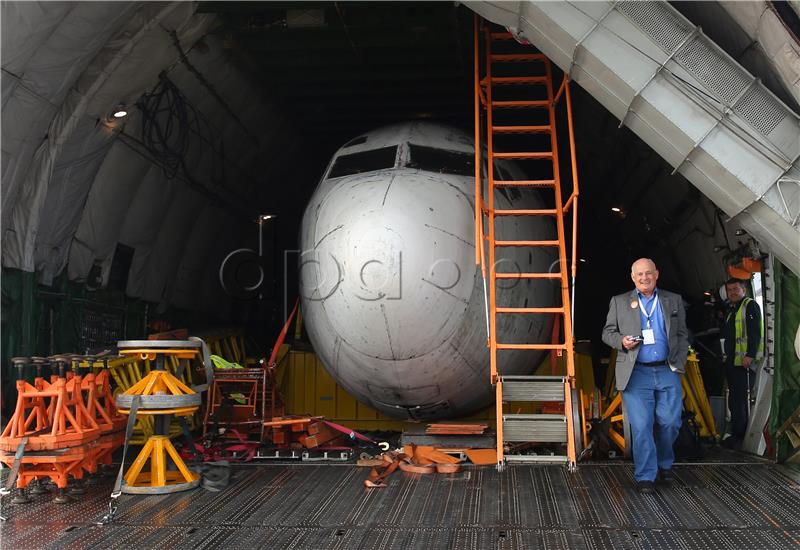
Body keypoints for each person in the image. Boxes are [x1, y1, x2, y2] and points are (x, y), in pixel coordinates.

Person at [602, 258, 689, 494]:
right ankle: (646, 476)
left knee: (670, 422)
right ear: (632, 277)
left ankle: (663, 463)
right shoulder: (619, 302)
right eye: (639, 274)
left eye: (648, 273)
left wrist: (678, 363)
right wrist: (621, 341)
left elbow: (682, 334)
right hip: (636, 372)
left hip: (666, 370)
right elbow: (607, 332)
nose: (644, 278)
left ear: (657, 274)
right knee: (641, 425)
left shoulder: (673, 300)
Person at [722, 278, 763, 450]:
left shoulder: (749, 305)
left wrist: (750, 355)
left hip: (743, 363)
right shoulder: (732, 309)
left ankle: (742, 436)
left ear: (744, 290)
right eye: (729, 289)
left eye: (735, 289)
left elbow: (755, 332)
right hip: (732, 362)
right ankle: (736, 433)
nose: (732, 292)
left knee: (741, 401)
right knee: (734, 400)